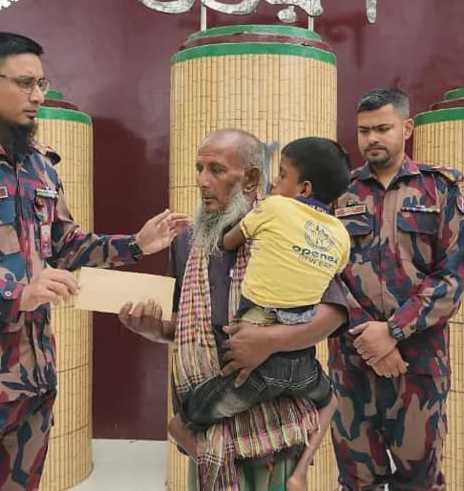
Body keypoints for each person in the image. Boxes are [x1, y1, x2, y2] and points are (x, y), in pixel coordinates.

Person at [0, 31, 189, 490]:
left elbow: (65, 245)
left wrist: (136, 244)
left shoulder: (39, 165)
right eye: (26, 83)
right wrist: (19, 293)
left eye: (42, 84)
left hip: (33, 381)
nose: (37, 96)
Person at [119, 128, 350, 491]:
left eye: (215, 170)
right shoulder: (186, 242)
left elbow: (333, 313)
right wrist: (153, 329)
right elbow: (185, 324)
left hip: (276, 432)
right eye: (199, 168)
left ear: (251, 178)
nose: (201, 181)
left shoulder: (288, 225)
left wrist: (270, 340)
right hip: (208, 442)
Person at [331, 87, 464, 490]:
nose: (372, 138)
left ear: (406, 128)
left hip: (419, 364)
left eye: (382, 128)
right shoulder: (338, 193)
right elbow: (323, 273)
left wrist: (391, 332)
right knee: (357, 481)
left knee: (419, 481)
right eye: (363, 131)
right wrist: (367, 337)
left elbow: (452, 276)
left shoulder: (440, 190)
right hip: (352, 366)